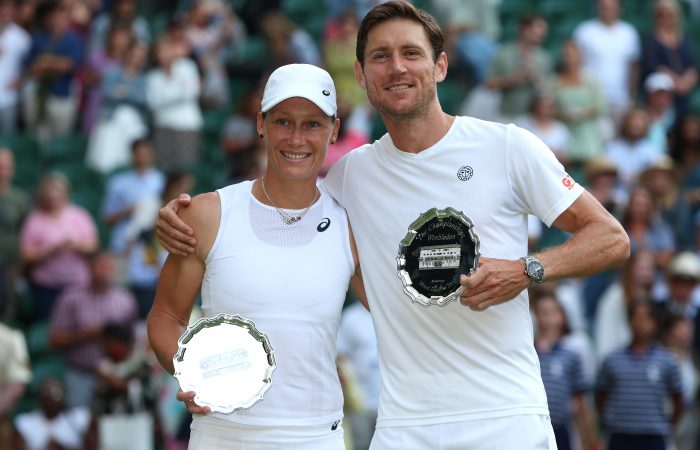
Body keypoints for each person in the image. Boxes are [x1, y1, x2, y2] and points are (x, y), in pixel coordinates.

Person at [156, 2, 630, 448]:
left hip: (507, 417)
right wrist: (178, 221)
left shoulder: (507, 147)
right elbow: (274, 216)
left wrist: (527, 270)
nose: (397, 67)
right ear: (361, 75)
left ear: (440, 66)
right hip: (403, 427)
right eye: (381, 56)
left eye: (411, 53)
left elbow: (610, 237)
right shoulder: (348, 177)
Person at [148, 63, 364, 449]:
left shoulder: (352, 222)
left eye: (313, 124)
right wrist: (187, 371)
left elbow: (397, 315)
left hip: (316, 437)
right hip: (221, 436)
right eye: (283, 121)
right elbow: (166, 316)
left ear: (334, 131)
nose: (296, 138)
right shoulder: (208, 214)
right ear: (261, 124)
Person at [49, 250, 138, 409]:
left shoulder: (125, 299)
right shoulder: (71, 297)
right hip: (80, 373)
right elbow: (54, 340)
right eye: (101, 266)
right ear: (89, 268)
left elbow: (133, 340)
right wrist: (89, 334)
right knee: (79, 422)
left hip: (115, 376)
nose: (106, 270)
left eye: (109, 266)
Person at [596, 300, 684, 450]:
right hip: (620, 434)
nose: (641, 323)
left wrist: (666, 424)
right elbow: (601, 396)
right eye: (636, 317)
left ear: (655, 322)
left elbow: (677, 399)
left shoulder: (667, 360)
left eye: (646, 318)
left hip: (653, 436)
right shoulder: (612, 360)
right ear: (629, 321)